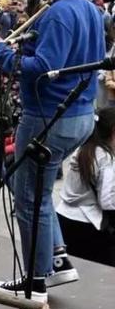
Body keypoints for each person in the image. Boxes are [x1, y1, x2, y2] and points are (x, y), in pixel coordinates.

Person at [0, 0, 106, 302]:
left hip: (48, 117)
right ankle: (56, 259)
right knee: (38, 191)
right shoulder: (88, 9)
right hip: (80, 116)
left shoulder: (57, 14)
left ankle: (35, 281)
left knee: (29, 198)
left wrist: (4, 56)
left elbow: (44, 70)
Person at [57, 106, 115, 267]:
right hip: (89, 225)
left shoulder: (83, 150)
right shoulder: (106, 159)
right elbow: (108, 201)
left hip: (63, 217)